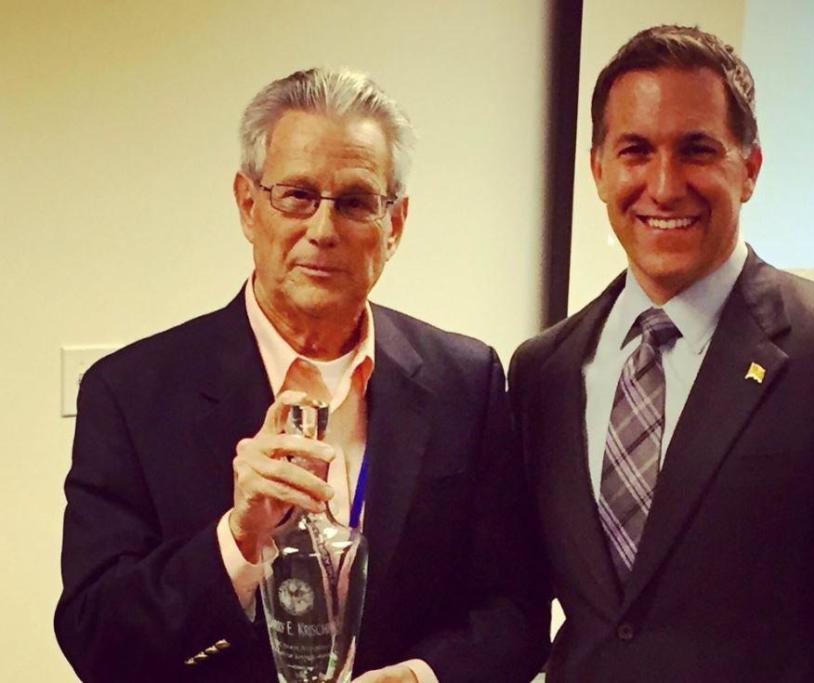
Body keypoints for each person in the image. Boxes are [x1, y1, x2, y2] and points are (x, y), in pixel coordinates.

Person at [55, 67, 548, 683]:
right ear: (247, 205)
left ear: (393, 226)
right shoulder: (130, 392)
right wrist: (238, 538)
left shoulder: (465, 380)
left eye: (356, 202)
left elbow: (515, 613)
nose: (322, 230)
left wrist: (424, 677)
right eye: (297, 195)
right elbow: (95, 637)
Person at [509, 24, 814, 682]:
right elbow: (527, 602)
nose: (663, 184)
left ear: (749, 169)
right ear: (597, 169)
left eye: (696, 150)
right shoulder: (545, 369)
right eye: (635, 150)